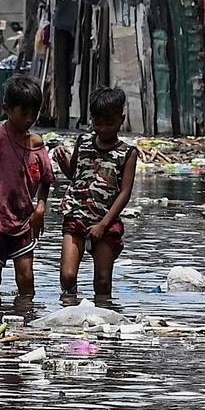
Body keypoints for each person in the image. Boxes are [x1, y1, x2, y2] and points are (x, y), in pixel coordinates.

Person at [0, 74, 53, 298]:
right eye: (24, 112)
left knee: (26, 280)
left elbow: (46, 179)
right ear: (7, 108)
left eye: (34, 113)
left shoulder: (36, 145)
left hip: (23, 221)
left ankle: (25, 324)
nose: (29, 118)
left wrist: (41, 208)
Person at [53, 87, 139, 299]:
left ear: (122, 119)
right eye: (98, 123)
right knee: (68, 276)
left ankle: (103, 318)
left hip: (106, 221)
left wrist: (103, 225)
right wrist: (63, 164)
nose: (103, 128)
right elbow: (75, 174)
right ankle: (69, 308)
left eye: (109, 123)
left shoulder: (127, 153)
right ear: (91, 119)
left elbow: (124, 193)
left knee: (102, 282)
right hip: (76, 215)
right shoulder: (83, 142)